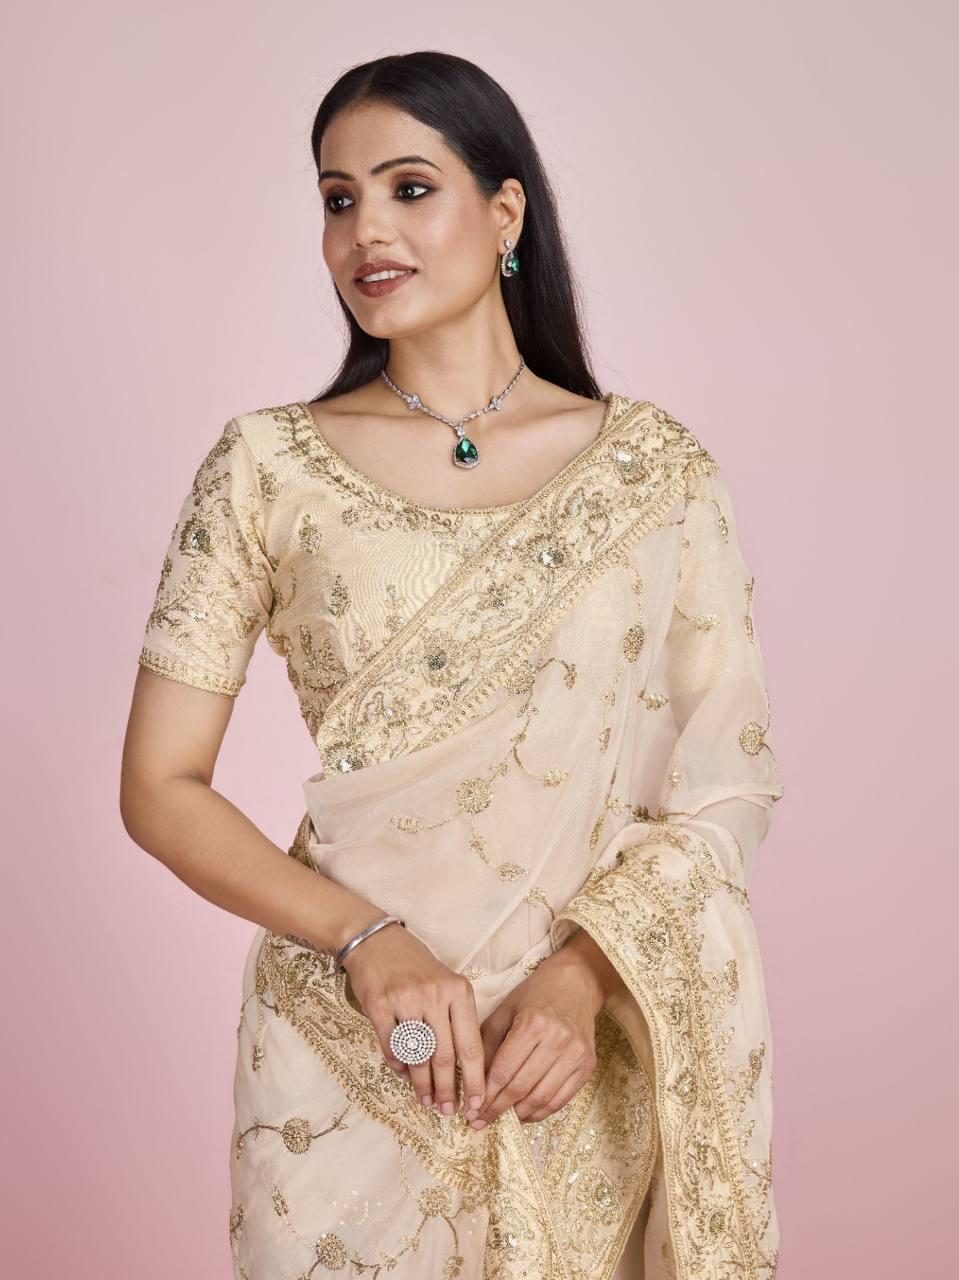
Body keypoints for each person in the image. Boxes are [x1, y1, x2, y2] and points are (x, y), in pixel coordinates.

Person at [120, 50, 785, 1280]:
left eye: (409, 187)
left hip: (567, 1058)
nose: (365, 230)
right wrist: (366, 938)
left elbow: (724, 782)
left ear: (506, 210)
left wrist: (587, 977)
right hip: (344, 1051)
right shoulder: (265, 467)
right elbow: (160, 786)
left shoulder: (654, 473)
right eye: (338, 199)